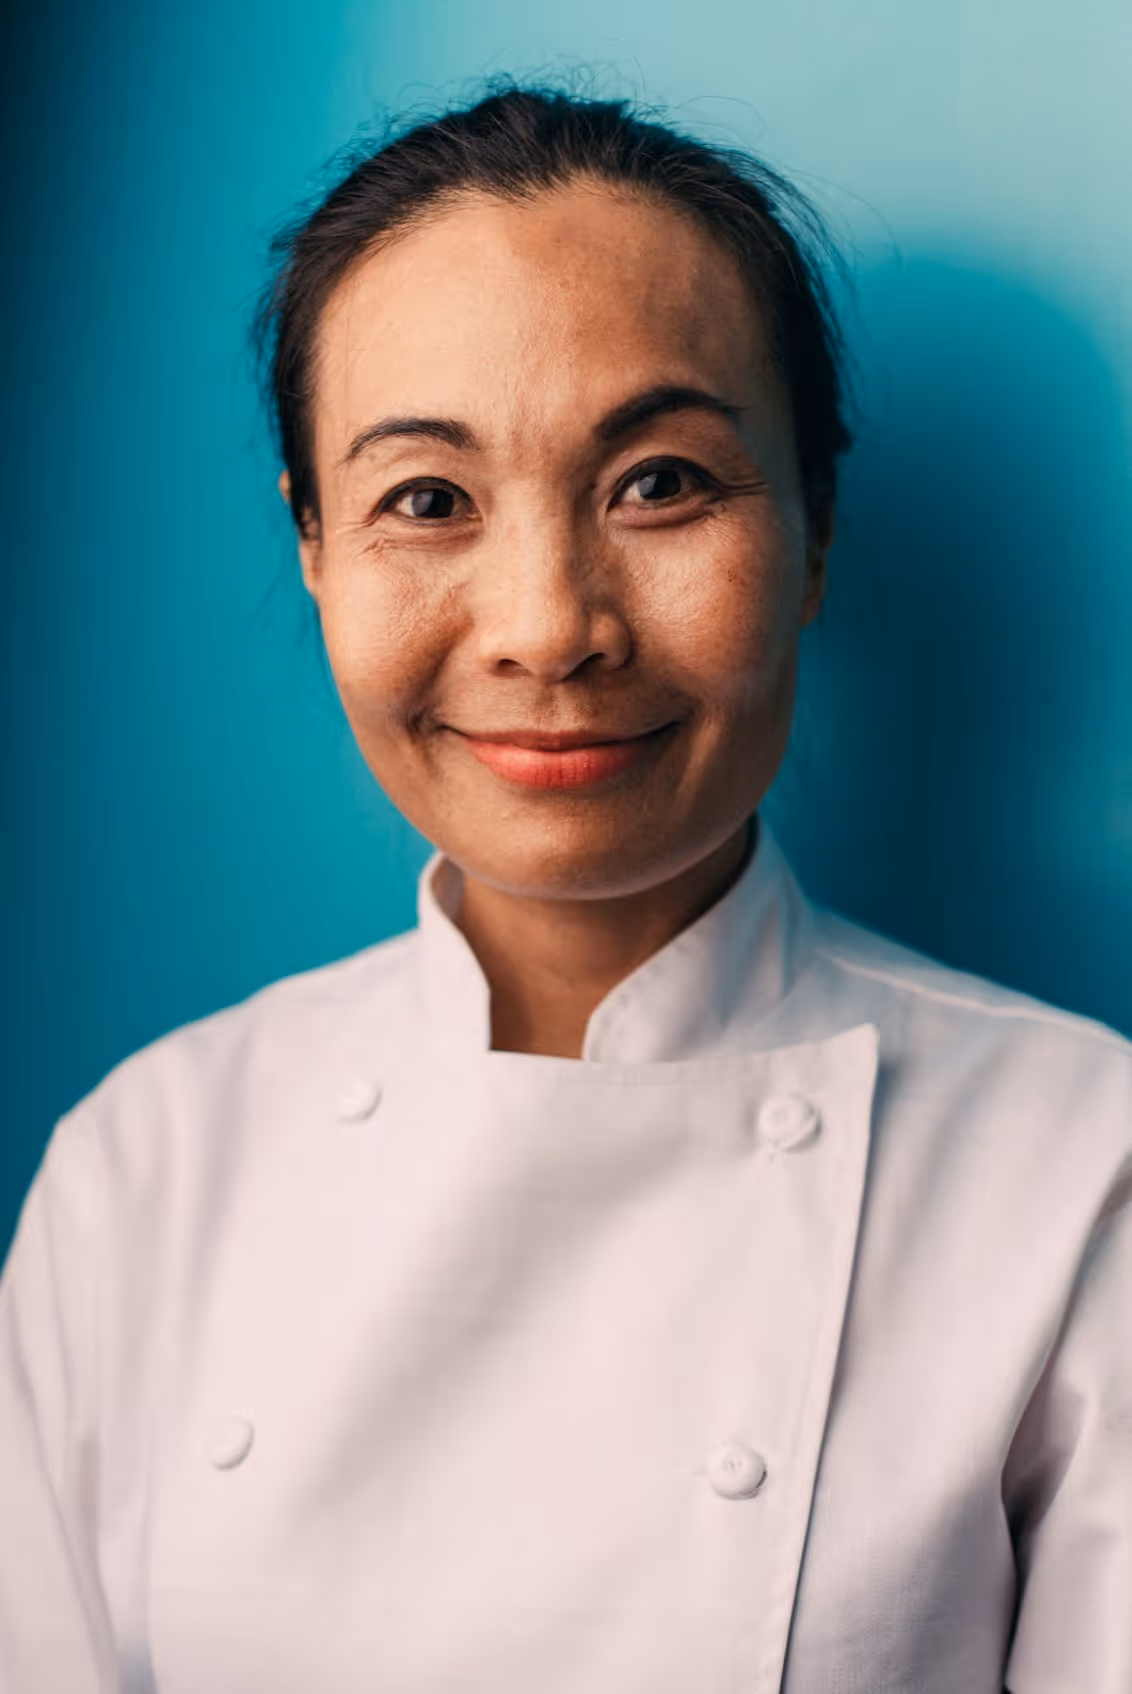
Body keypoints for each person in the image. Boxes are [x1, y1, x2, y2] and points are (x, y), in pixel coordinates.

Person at [0, 76, 1129, 1694]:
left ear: (816, 530)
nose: (548, 624)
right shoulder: (142, 1172)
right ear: (313, 546)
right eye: (426, 501)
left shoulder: (1083, 1173)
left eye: (661, 481)